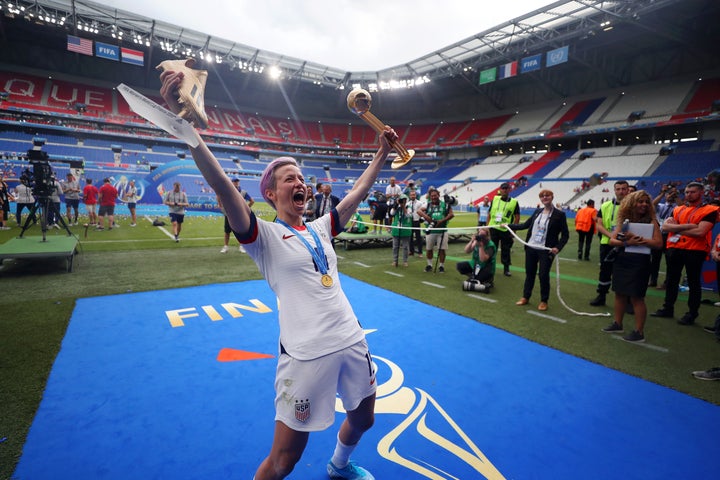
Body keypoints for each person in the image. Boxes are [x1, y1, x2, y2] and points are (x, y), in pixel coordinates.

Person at [161, 65, 396, 479]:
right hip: (304, 357)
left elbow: (358, 193)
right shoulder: (262, 236)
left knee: (364, 421)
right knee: (284, 461)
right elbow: (222, 187)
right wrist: (190, 134)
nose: (300, 182)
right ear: (271, 193)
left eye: (302, 177)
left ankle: (338, 467)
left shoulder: (323, 226)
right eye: (290, 179)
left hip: (351, 340)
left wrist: (382, 153)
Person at [651, 181, 718, 325]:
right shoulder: (678, 209)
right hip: (675, 249)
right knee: (671, 280)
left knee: (693, 283)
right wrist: (689, 227)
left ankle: (692, 314)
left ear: (701, 193)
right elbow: (666, 227)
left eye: (693, 192)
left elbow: (701, 232)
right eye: (687, 192)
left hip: (695, 250)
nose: (689, 194)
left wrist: (676, 228)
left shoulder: (710, 210)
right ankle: (667, 308)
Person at [601, 190, 663, 342]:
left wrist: (637, 239)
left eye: (646, 202)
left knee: (637, 297)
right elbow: (612, 241)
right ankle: (617, 323)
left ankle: (639, 332)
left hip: (640, 262)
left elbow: (658, 243)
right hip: (623, 259)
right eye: (640, 201)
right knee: (619, 293)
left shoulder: (652, 221)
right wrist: (628, 242)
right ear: (631, 203)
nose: (644, 205)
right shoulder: (624, 221)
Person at [509, 189, 569, 311]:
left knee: (543, 275)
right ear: (540, 199)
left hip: (546, 250)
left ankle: (544, 300)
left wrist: (557, 247)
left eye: (547, 195)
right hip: (531, 248)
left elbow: (565, 235)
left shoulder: (559, 215)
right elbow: (524, 226)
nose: (545, 197)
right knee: (529, 274)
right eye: (542, 196)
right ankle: (526, 297)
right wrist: (508, 225)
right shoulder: (537, 212)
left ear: (552, 197)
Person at [590, 180, 630, 306]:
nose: (621, 191)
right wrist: (611, 236)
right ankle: (601, 296)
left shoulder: (633, 206)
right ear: (614, 190)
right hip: (607, 243)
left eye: (624, 189)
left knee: (625, 272)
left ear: (628, 190)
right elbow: (599, 225)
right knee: (605, 271)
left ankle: (628, 301)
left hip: (626, 244)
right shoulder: (605, 205)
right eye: (618, 189)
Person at [418, 188, 454, 273]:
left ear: (438, 195)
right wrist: (427, 218)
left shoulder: (444, 204)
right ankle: (429, 265)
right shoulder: (428, 204)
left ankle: (441, 266)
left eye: (435, 195)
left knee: (442, 249)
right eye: (432, 196)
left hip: (442, 230)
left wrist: (441, 221)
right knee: (429, 249)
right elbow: (419, 211)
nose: (433, 197)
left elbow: (451, 214)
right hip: (431, 230)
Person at [487, 182, 520, 277]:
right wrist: (487, 227)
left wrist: (513, 231)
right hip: (494, 228)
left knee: (506, 249)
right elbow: (490, 213)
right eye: (503, 188)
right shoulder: (495, 199)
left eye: (506, 188)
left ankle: (506, 269)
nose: (504, 190)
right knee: (492, 248)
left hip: (506, 229)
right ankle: (489, 266)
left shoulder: (514, 202)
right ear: (500, 190)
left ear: (509, 190)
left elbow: (517, 217)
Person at [649, 186, 678, 288]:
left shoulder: (677, 207)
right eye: (669, 194)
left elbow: (683, 205)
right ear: (665, 195)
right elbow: (652, 204)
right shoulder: (660, 206)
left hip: (670, 235)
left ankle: (667, 282)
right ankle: (653, 280)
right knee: (655, 260)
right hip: (659, 234)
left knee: (670, 260)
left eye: (672, 195)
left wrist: (676, 196)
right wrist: (662, 193)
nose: (670, 196)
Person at [219, 178, 254, 253]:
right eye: (235, 182)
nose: (236, 183)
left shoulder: (243, 192)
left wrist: (245, 208)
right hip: (229, 214)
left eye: (237, 181)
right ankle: (226, 247)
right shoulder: (227, 190)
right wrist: (220, 206)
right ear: (231, 183)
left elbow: (252, 201)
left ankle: (242, 246)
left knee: (241, 231)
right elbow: (218, 195)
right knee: (227, 231)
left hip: (239, 215)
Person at [456, 227, 496, 292]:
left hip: (486, 267)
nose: (481, 237)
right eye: (480, 235)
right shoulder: (476, 241)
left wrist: (481, 246)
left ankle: (486, 280)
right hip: (475, 264)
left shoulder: (490, 245)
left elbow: (483, 259)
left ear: (487, 236)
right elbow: (467, 251)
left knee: (478, 279)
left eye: (483, 236)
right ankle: (474, 277)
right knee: (460, 266)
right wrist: (472, 241)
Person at [389, 194, 411, 267]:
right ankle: (395, 260)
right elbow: (391, 213)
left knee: (405, 247)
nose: (403, 201)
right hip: (396, 229)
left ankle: (405, 261)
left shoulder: (408, 207)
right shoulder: (396, 207)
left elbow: (408, 215)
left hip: (405, 229)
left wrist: (403, 207)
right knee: (395, 246)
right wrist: (396, 205)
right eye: (402, 200)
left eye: (404, 200)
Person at [407, 189, 424, 256]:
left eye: (414, 195)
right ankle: (411, 251)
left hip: (416, 221)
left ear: (416, 195)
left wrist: (422, 218)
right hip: (410, 222)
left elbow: (422, 212)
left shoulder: (419, 203)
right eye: (411, 195)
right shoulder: (408, 204)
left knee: (418, 237)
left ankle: (420, 252)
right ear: (409, 196)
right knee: (410, 237)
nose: (413, 196)